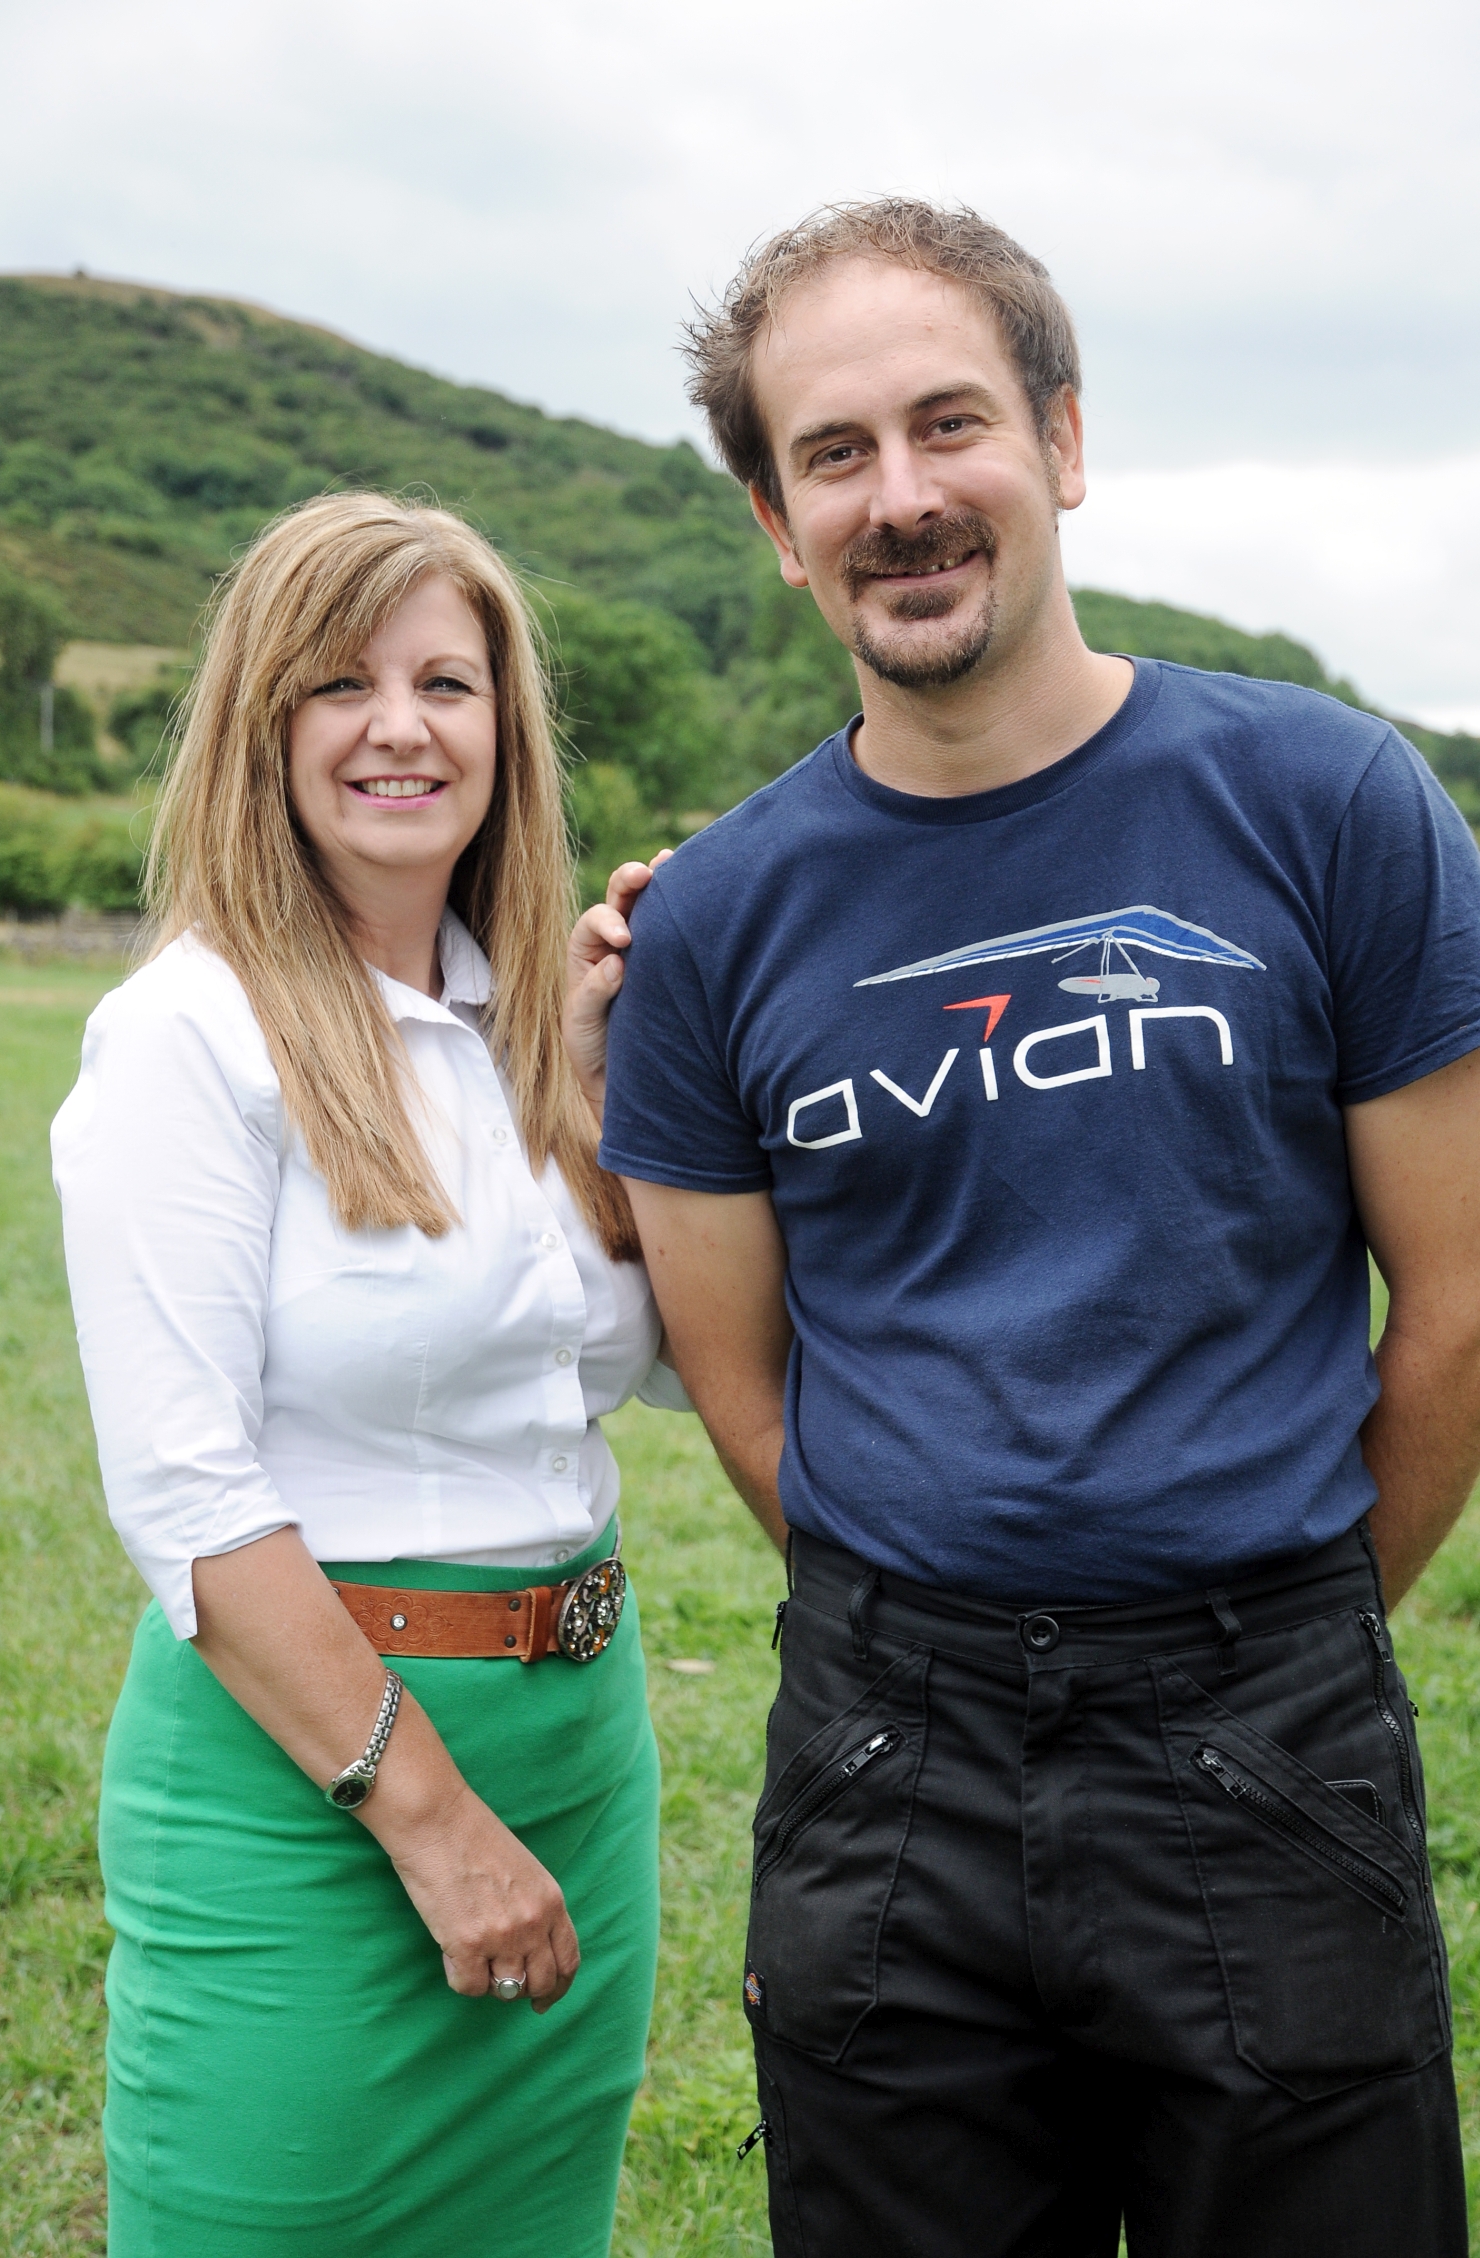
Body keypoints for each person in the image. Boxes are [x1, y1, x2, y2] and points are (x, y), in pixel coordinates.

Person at [573, 200, 1480, 2256]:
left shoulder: (1330, 802)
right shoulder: (716, 923)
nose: (902, 498)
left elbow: (1458, 1307)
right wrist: (959, 1633)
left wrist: (1287, 1623)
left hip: (1271, 1728)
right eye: (833, 455)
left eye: (948, 424)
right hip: (893, 1776)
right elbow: (745, 1392)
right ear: (773, 524)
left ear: (1062, 443)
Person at [52, 493, 687, 2258]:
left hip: (579, 1747)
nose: (401, 725)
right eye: (340, 683)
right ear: (263, 723)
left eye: (445, 681)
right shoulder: (190, 1032)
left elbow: (647, 1375)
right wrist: (433, 1823)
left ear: (509, 729)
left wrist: (632, 1099)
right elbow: (185, 1492)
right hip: (320, 1782)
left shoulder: (530, 1028)